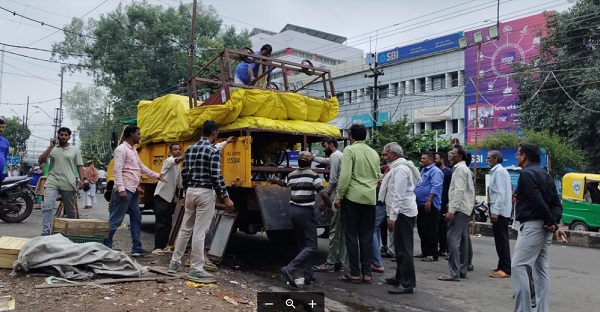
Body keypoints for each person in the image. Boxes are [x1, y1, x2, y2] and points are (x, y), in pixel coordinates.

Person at [168, 121, 234, 281]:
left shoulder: (189, 149)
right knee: (199, 231)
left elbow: (184, 173)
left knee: (185, 228)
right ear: (214, 133)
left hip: (190, 191)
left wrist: (186, 190)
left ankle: (174, 264)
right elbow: (216, 176)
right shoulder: (213, 151)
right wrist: (226, 198)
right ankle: (196, 268)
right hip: (205, 192)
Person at [512, 143, 567, 312]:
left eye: (518, 154)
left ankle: (523, 309)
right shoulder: (545, 174)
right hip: (544, 226)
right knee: (541, 269)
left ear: (524, 156)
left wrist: (551, 222)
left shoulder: (527, 174)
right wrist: (552, 222)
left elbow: (537, 201)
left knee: (519, 266)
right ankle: (542, 309)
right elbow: (556, 204)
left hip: (533, 226)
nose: (516, 156)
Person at [271, 151, 331, 288]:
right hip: (305, 212)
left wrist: (275, 181)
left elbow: (284, 184)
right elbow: (324, 194)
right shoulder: (313, 176)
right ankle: (290, 268)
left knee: (303, 245)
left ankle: (308, 275)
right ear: (310, 162)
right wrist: (329, 207)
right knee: (312, 245)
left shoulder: (292, 175)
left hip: (293, 211)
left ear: (298, 162)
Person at [105, 126, 164, 256]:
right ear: (131, 134)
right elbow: (117, 170)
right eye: (138, 134)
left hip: (132, 189)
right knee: (116, 220)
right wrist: (121, 189)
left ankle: (136, 248)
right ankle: (105, 246)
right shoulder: (121, 149)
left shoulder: (133, 150)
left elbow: (140, 166)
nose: (140, 136)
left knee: (136, 217)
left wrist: (156, 175)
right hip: (125, 189)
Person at [335, 123, 380, 284]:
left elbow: (345, 175)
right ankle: (367, 274)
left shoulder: (350, 150)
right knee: (367, 236)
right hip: (369, 198)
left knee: (351, 235)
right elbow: (377, 175)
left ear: (351, 136)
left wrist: (339, 197)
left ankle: (354, 273)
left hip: (352, 198)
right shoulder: (374, 153)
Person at [378, 143, 420, 294]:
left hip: (403, 213)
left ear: (394, 155)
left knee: (404, 249)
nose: (384, 157)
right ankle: (400, 277)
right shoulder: (397, 168)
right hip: (401, 212)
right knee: (399, 248)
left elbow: (399, 195)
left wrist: (393, 217)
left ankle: (407, 284)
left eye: (386, 154)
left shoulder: (401, 169)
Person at [38, 127, 85, 236]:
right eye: (61, 134)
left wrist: (81, 180)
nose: (63, 137)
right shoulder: (52, 148)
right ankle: (45, 232)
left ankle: (71, 233)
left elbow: (80, 165)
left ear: (69, 137)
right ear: (58, 135)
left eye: (66, 135)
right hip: (52, 181)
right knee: (47, 206)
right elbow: (41, 160)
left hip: (68, 182)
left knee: (70, 209)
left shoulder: (74, 150)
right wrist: (50, 147)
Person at [438, 145, 474, 282]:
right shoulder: (463, 169)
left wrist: (451, 211)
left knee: (452, 239)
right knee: (463, 240)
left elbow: (458, 191)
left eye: (452, 153)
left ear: (459, 156)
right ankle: (461, 270)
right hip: (464, 208)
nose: (449, 155)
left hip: (459, 209)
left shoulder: (460, 169)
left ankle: (453, 272)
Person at [312, 137, 345, 273]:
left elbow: (332, 180)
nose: (324, 148)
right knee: (341, 232)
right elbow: (326, 160)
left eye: (325, 146)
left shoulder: (336, 157)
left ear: (331, 145)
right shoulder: (338, 155)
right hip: (345, 197)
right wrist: (313, 158)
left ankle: (330, 263)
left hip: (339, 196)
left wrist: (324, 201)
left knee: (334, 230)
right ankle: (339, 261)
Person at [152, 143, 184, 255]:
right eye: (175, 149)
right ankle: (157, 247)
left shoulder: (178, 167)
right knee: (161, 222)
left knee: (168, 223)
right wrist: (187, 156)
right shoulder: (168, 161)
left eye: (179, 149)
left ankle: (164, 245)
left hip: (170, 198)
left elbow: (180, 183)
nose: (177, 151)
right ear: (170, 152)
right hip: (162, 196)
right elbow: (173, 161)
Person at [486, 150, 513, 278]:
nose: (487, 160)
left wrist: (495, 211)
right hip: (498, 209)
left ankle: (506, 268)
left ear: (496, 159)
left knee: (502, 239)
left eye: (489, 158)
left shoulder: (499, 172)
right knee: (499, 239)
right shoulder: (496, 171)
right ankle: (502, 264)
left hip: (501, 211)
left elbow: (501, 194)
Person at [414, 152, 443, 262]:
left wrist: (429, 200)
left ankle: (432, 254)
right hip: (420, 204)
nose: (421, 160)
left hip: (430, 205)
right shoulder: (423, 170)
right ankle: (425, 252)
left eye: (424, 158)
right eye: (421, 158)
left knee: (431, 229)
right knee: (422, 229)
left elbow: (436, 186)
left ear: (430, 160)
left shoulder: (435, 171)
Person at [434, 152, 452, 258]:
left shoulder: (448, 172)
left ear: (442, 159)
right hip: (435, 202)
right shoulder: (434, 172)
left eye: (436, 158)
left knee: (443, 227)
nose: (434, 160)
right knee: (435, 227)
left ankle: (444, 248)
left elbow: (450, 188)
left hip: (444, 202)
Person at [0, 119, 7, 184]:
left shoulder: (5, 142)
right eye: (0, 127)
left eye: (2, 127)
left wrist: (4, 173)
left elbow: (5, 158)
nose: (1, 129)